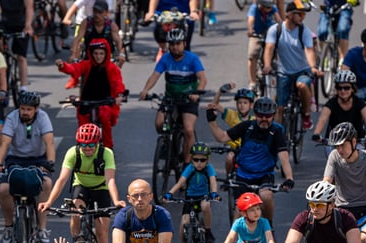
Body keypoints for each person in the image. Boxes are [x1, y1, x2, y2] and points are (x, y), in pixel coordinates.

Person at [39, 123, 124, 243]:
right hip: (81, 187)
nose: (87, 149)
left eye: (91, 145)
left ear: (97, 144)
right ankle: (77, 241)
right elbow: (62, 180)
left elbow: (110, 181)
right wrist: (48, 203)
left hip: (100, 188)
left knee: (102, 235)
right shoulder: (73, 153)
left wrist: (116, 201)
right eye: (83, 145)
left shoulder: (106, 154)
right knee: (75, 210)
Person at [206, 96, 295, 224]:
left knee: (266, 196)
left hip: (264, 175)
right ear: (256, 114)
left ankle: (268, 225)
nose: (264, 119)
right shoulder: (247, 127)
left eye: (268, 116)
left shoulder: (276, 131)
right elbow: (222, 137)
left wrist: (289, 178)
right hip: (243, 175)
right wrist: (211, 122)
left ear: (273, 115)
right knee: (239, 211)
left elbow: (284, 157)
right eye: (260, 115)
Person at [0, 91, 56, 243]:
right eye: (22, 109)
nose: (25, 112)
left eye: (29, 109)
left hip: (38, 159)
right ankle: (8, 226)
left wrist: (50, 162)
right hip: (15, 159)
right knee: (3, 189)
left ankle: (42, 228)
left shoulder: (43, 118)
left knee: (46, 184)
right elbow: (4, 144)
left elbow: (49, 143)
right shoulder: (12, 118)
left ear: (36, 109)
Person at [138, 28, 207, 164]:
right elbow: (155, 75)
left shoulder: (192, 59)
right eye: (172, 44)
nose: (175, 47)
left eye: (178, 44)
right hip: (171, 98)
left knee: (188, 129)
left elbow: (202, 79)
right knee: (159, 123)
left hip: (188, 99)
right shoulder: (165, 58)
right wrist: (145, 90)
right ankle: (167, 143)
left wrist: (196, 92)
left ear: (184, 44)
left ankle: (187, 164)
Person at [56, 38, 126, 149]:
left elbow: (118, 83)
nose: (98, 56)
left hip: (105, 102)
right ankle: (82, 148)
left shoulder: (112, 68)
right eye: (96, 53)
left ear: (106, 54)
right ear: (91, 54)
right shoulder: (86, 64)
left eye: (101, 53)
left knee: (105, 119)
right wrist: (62, 66)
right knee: (83, 125)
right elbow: (74, 68)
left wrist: (120, 96)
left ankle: (108, 148)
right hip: (86, 101)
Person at [262, 0, 320, 128]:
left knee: (302, 85)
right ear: (289, 14)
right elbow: (269, 48)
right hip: (284, 72)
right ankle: (276, 137)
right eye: (299, 14)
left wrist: (313, 67)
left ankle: (306, 115)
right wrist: (267, 65)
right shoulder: (275, 30)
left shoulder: (304, 31)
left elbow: (309, 51)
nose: (302, 17)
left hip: (302, 71)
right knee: (279, 108)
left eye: (304, 15)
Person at [164, 142, 220, 243]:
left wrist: (214, 193)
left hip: (203, 196)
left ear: (207, 160)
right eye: (196, 160)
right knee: (184, 221)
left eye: (202, 160)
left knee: (205, 206)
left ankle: (208, 231)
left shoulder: (209, 169)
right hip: (190, 197)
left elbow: (213, 181)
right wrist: (170, 193)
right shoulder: (189, 168)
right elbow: (180, 182)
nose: (199, 163)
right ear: (191, 159)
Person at [311, 70, 366, 146]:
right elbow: (322, 119)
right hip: (335, 142)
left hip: (357, 142)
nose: (343, 91)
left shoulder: (359, 103)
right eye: (339, 88)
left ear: (353, 89)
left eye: (346, 88)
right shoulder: (331, 103)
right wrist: (317, 133)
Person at [0, 0, 34, 90]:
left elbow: (29, 8)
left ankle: (23, 87)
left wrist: (28, 26)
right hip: (5, 24)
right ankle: (2, 58)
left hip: (21, 25)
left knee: (21, 57)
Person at [206, 86, 256, 175]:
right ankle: (228, 176)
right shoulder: (232, 115)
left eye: (245, 103)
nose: (242, 105)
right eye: (239, 102)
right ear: (236, 104)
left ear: (251, 105)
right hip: (234, 148)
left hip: (248, 149)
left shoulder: (254, 120)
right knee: (229, 158)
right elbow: (215, 105)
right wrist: (220, 92)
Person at [69, 0, 126, 66]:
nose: (97, 15)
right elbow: (77, 39)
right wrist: (73, 55)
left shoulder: (111, 25)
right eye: (95, 11)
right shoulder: (87, 23)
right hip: (89, 58)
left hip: (107, 60)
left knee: (114, 74)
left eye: (100, 12)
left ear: (106, 13)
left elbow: (118, 41)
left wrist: (121, 54)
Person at [247, 0, 282, 89]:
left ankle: (270, 63)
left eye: (270, 7)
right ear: (261, 5)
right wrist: (250, 30)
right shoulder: (254, 8)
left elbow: (278, 19)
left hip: (269, 31)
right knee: (252, 54)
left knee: (275, 48)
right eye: (266, 7)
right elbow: (251, 19)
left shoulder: (272, 8)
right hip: (256, 33)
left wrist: (282, 29)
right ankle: (252, 82)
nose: (269, 9)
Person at [317, 0, 356, 65]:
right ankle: (325, 56)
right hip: (328, 7)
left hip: (344, 6)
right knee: (322, 32)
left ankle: (343, 60)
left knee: (343, 29)